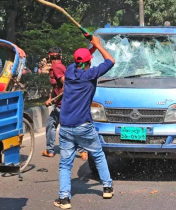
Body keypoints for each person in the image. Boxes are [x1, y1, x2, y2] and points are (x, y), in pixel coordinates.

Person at [54, 36, 116, 209]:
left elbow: (82, 59)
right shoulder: (90, 74)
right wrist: (98, 45)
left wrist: (91, 47)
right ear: (89, 62)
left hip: (65, 126)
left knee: (65, 164)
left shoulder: (69, 71)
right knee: (97, 154)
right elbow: (111, 60)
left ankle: (64, 199)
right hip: (83, 125)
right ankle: (107, 187)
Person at [41, 47, 88, 160]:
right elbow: (55, 87)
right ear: (60, 57)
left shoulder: (57, 68)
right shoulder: (57, 67)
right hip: (60, 104)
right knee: (52, 124)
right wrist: (50, 98)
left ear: (49, 57)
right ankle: (51, 150)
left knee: (69, 127)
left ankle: (82, 150)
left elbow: (67, 85)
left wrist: (53, 100)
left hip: (65, 105)